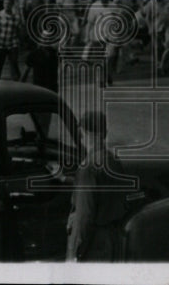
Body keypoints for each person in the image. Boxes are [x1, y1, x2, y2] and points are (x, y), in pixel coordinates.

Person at [66, 110, 130, 262]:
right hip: (112, 240)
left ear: (84, 134)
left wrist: (75, 253)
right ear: (105, 133)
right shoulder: (112, 161)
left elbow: (84, 217)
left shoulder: (88, 168)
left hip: (93, 244)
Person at [0, 0, 22, 81]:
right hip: (0, 42)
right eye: (5, 4)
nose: (7, 5)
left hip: (12, 42)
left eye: (9, 4)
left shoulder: (16, 16)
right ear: (3, 4)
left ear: (12, 5)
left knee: (14, 62)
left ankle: (16, 80)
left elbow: (18, 30)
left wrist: (19, 41)